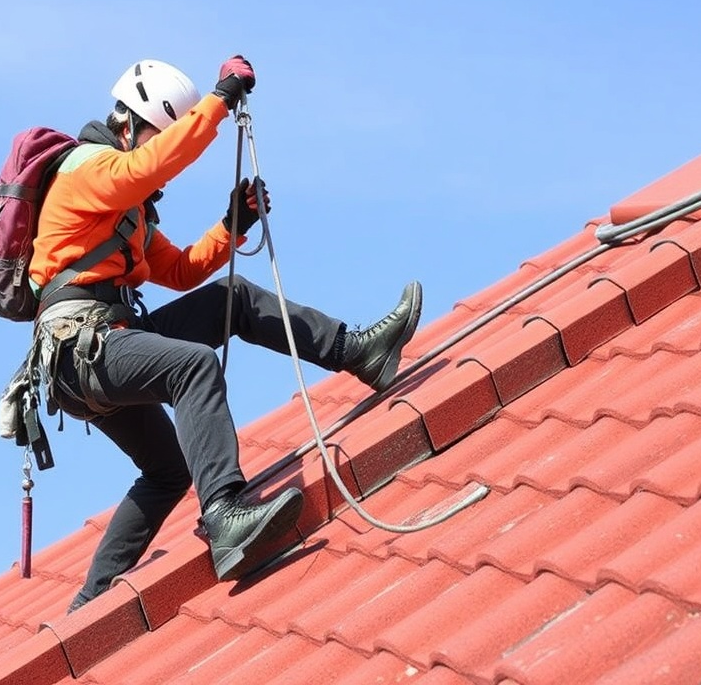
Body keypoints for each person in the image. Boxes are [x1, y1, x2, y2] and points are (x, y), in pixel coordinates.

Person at [29, 55, 422, 612]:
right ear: (131, 125)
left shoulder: (129, 210)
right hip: (81, 349)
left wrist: (231, 226)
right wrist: (220, 100)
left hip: (105, 342)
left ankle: (359, 351)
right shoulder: (89, 169)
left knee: (172, 456)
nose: (154, 149)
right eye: (156, 136)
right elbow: (150, 168)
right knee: (192, 365)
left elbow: (180, 270)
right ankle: (225, 517)